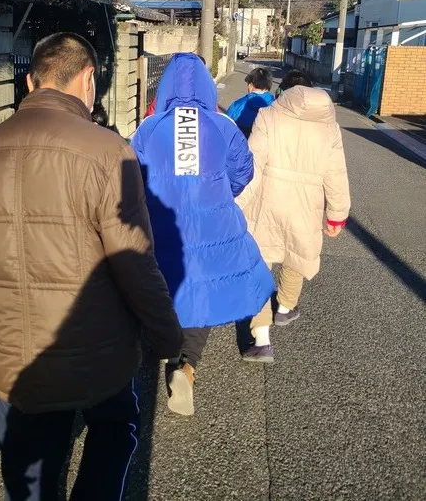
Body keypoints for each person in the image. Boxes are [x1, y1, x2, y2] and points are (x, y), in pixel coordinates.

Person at [0, 32, 183, 500]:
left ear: (30, 81)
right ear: (88, 79)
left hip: (15, 350)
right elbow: (135, 261)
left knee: (29, 465)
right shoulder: (106, 151)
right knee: (115, 431)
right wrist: (167, 336)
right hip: (97, 347)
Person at [131, 53, 275, 416]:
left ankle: (164, 346)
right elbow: (243, 172)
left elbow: (131, 178)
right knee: (203, 291)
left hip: (161, 224)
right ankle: (187, 366)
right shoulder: (222, 124)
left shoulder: (150, 127)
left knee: (164, 285)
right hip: (214, 224)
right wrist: (219, 193)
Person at [237, 70, 350, 363]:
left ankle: (261, 339)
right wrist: (336, 215)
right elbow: (336, 174)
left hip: (267, 203)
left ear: (283, 92)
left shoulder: (268, 116)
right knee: (296, 256)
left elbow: (253, 165)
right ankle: (286, 308)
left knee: (258, 264)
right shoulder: (330, 128)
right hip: (306, 206)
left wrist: (236, 205)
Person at [144, 54, 220, 118]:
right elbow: (215, 114)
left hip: (170, 129)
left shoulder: (168, 88)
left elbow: (152, 114)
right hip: (200, 129)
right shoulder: (207, 91)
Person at [226, 66, 275, 138]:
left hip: (241, 146)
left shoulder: (237, 105)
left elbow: (226, 128)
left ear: (250, 85)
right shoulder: (276, 106)